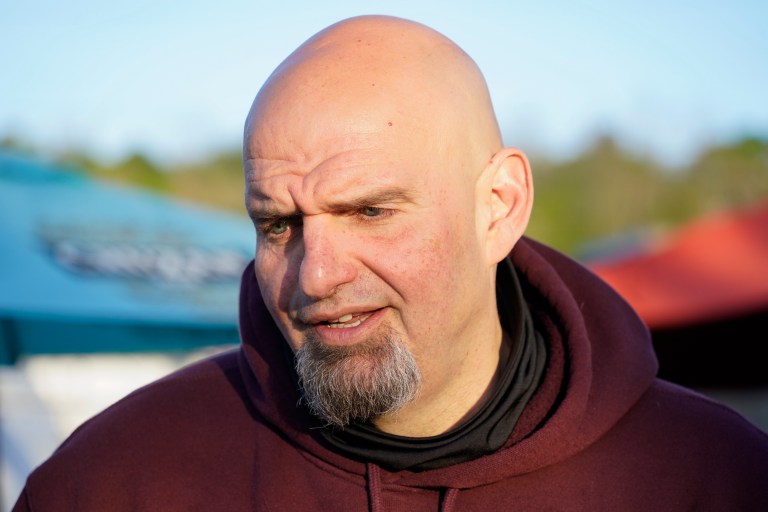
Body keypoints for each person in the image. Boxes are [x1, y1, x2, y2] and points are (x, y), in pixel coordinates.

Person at [13, 15, 768, 511]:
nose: (315, 276)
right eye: (277, 225)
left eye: (369, 211)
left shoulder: (713, 478)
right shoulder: (118, 481)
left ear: (499, 205)